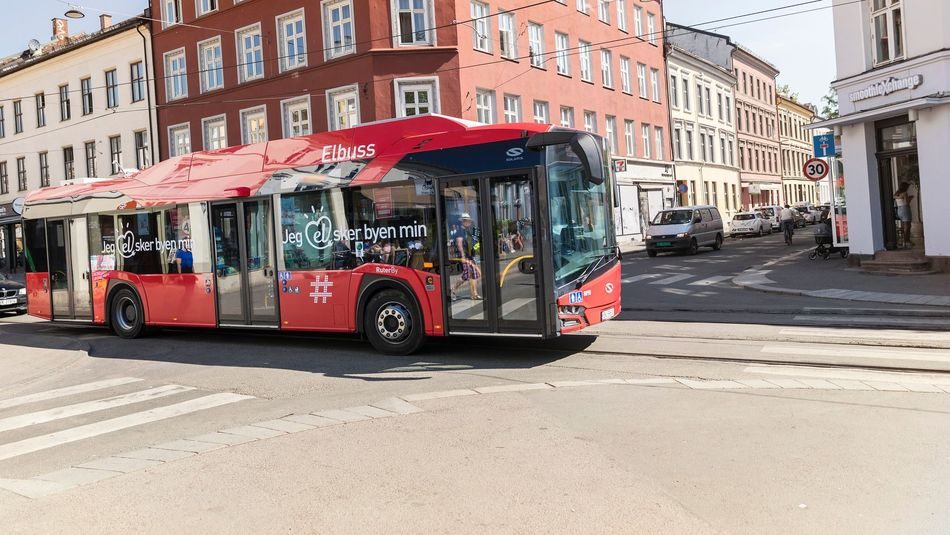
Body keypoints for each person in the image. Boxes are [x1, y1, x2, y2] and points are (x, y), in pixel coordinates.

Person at [451, 213, 481, 300]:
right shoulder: (460, 231)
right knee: (466, 275)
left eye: (469, 221)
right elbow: (459, 244)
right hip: (464, 257)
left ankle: (475, 294)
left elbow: (471, 243)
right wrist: (463, 257)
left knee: (474, 274)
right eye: (467, 221)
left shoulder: (467, 231)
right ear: (463, 221)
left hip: (470, 256)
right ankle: (453, 289)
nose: (469, 223)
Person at [894, 182, 914, 248]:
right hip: (905, 209)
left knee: (905, 225)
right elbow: (906, 202)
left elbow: (899, 200)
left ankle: (905, 241)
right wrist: (910, 198)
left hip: (899, 210)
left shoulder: (896, 194)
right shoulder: (905, 193)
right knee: (907, 226)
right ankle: (907, 241)